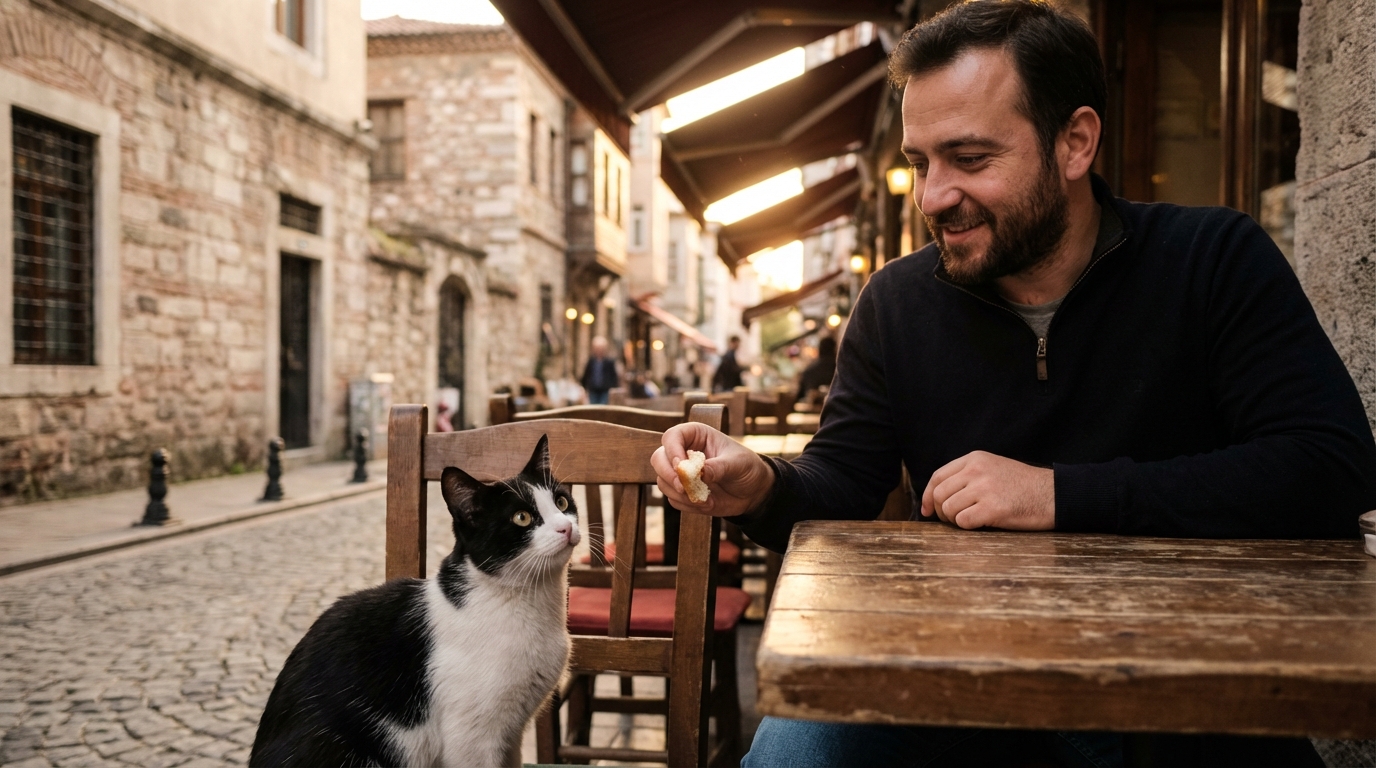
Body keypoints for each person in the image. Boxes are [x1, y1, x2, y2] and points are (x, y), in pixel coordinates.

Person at [650, 2, 1376, 766]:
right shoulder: (896, 304)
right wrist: (762, 485)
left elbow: (1332, 466)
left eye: (968, 158)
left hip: (1189, 691)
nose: (932, 196)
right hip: (944, 683)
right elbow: (845, 482)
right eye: (921, 162)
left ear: (1075, 142)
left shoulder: (1211, 259)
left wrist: (1058, 495)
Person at [794, 335, 837, 406]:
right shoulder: (839, 369)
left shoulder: (809, 370)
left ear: (820, 349)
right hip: (835, 410)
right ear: (834, 349)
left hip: (811, 409)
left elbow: (799, 396)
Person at [580, 336, 618, 405]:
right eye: (597, 348)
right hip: (593, 389)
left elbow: (613, 376)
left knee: (602, 407)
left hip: (604, 390)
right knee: (593, 407)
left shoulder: (609, 362)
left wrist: (613, 387)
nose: (599, 350)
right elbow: (586, 374)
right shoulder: (591, 361)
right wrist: (583, 386)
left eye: (601, 348)